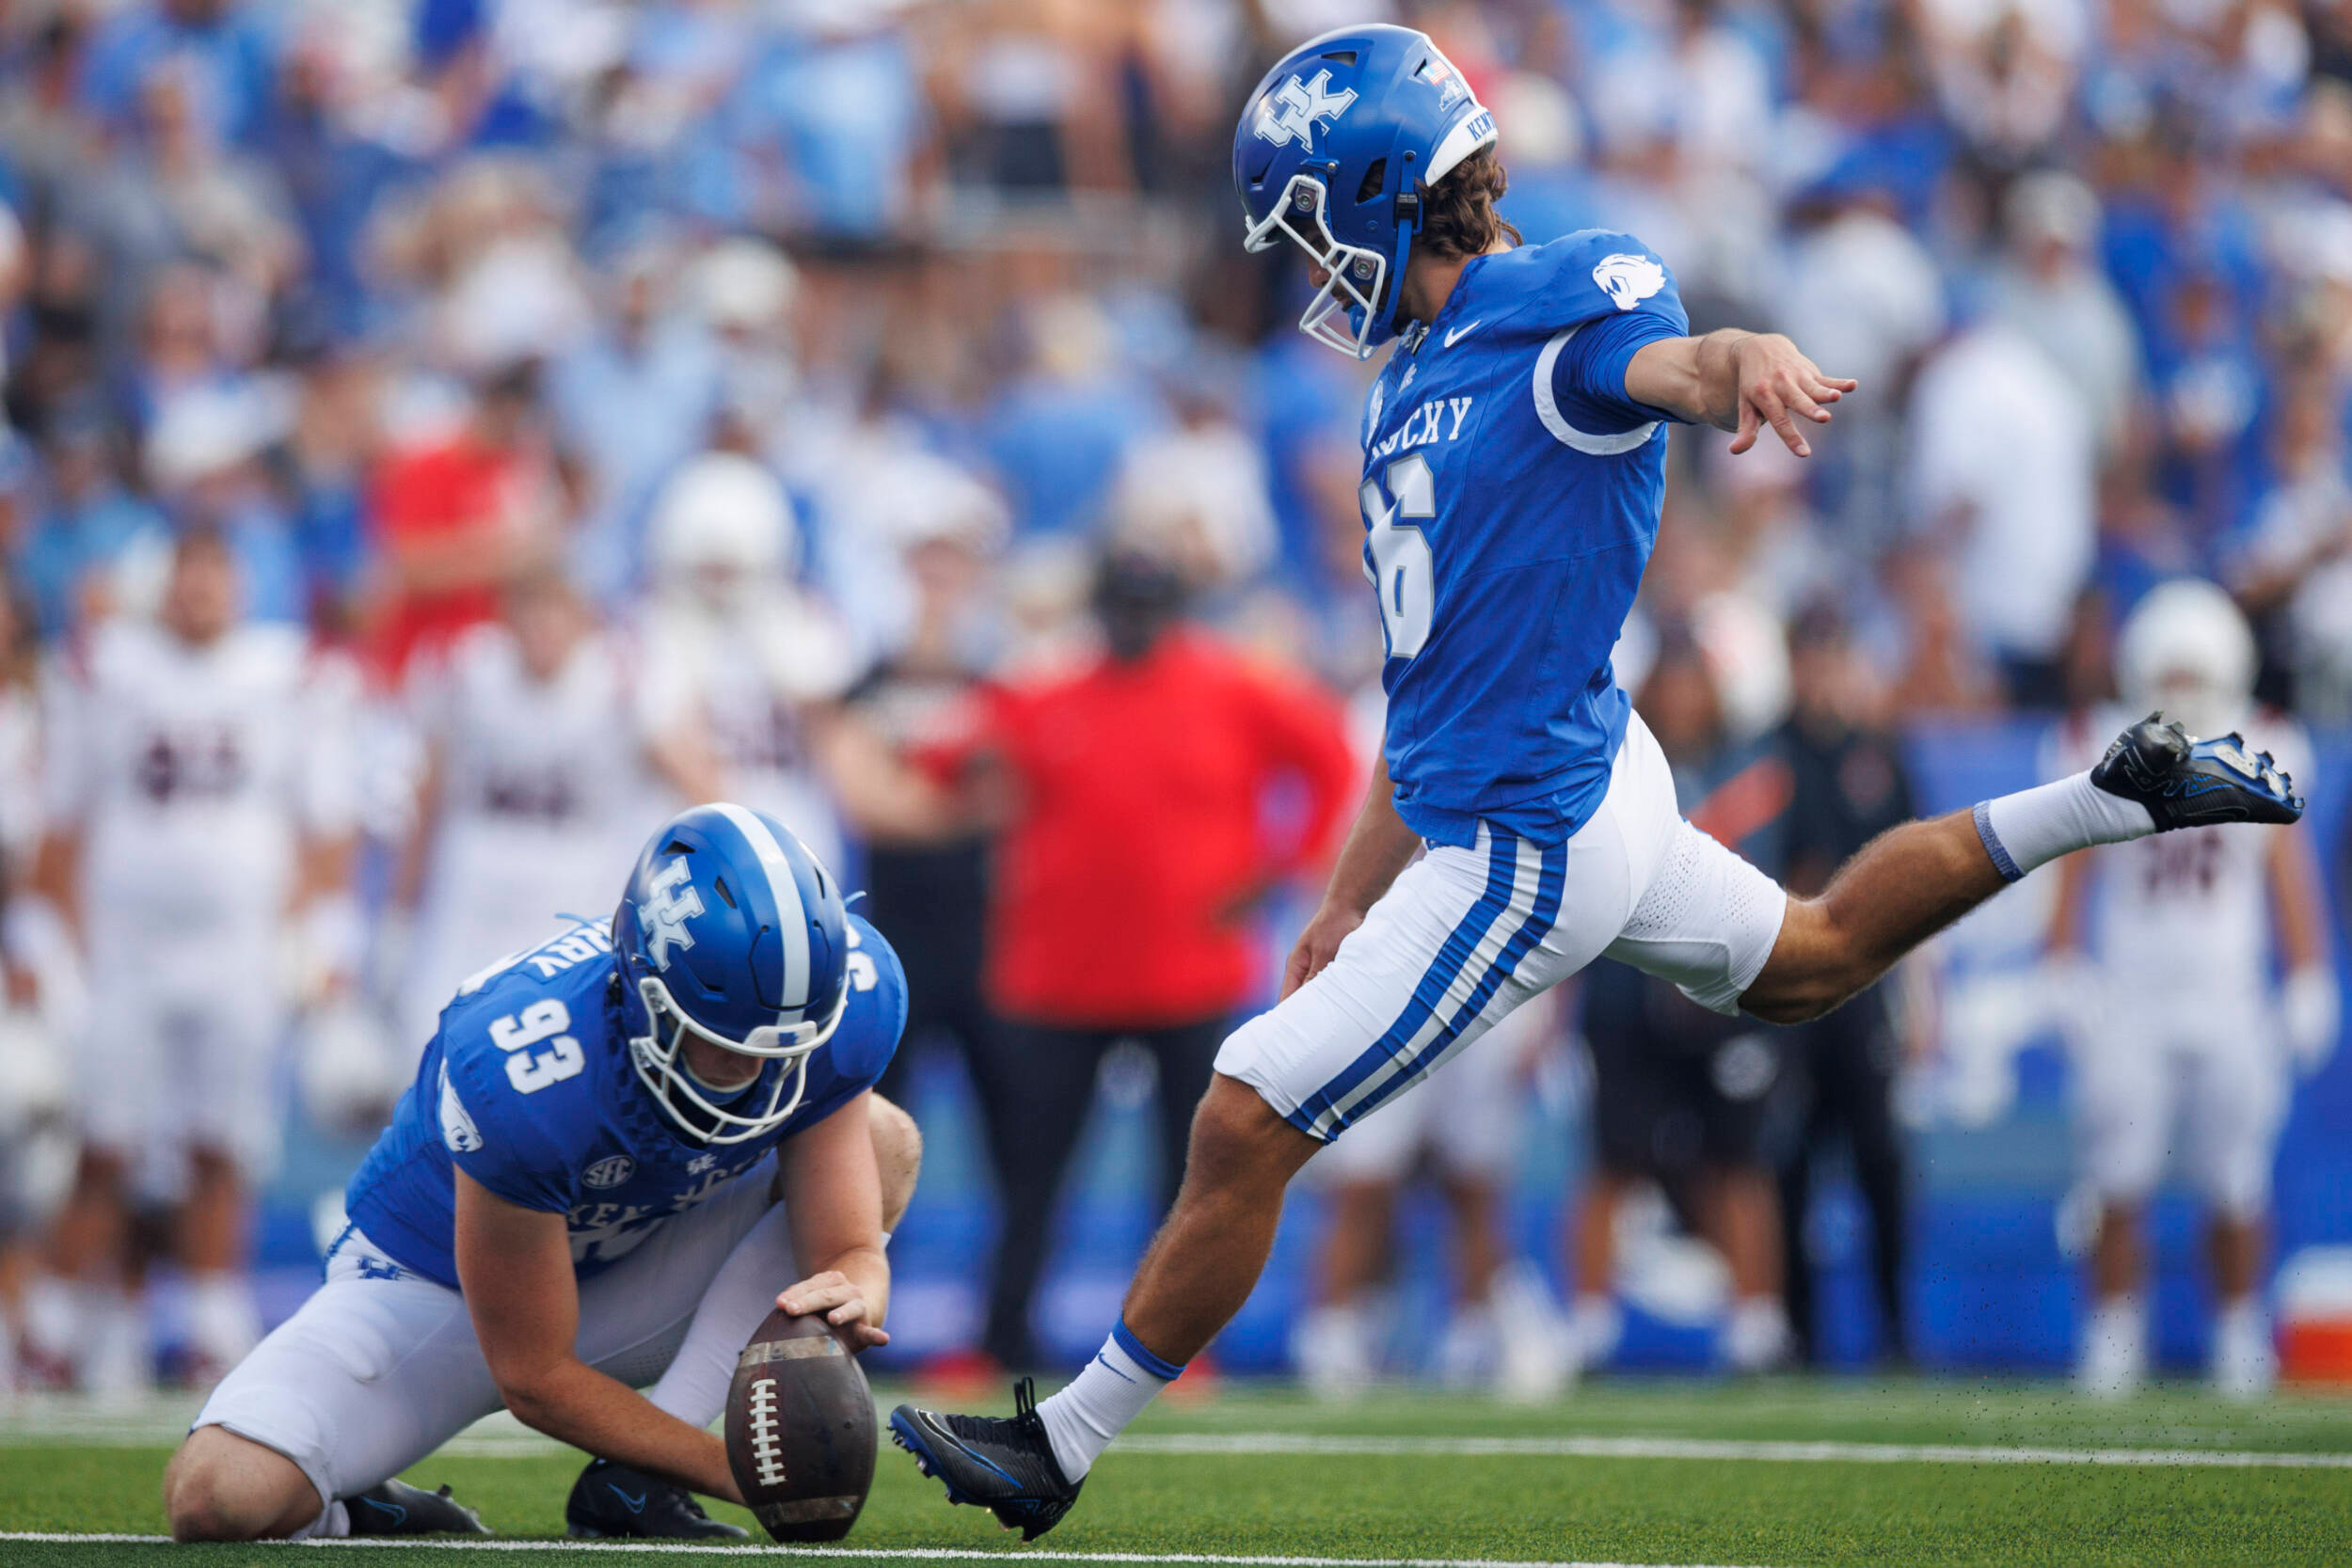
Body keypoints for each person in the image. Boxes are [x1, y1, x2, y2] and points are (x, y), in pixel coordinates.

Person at [886, 26, 2304, 1539]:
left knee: (1243, 1112)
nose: (1303, 261)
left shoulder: (1561, 297)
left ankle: (1062, 1443)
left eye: (1309, 218)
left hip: (1529, 834)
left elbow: (1672, 364)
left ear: (1372, 191)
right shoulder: (1409, 381)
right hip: (1570, 774)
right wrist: (1346, 893)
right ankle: (2112, 795)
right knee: (1810, 958)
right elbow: (1425, 687)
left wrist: (1741, 358)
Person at [162, 803, 922, 1541]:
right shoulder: (523, 1065)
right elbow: (534, 1373)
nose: (759, 1076)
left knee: (883, 1137)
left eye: (783, 1051)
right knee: (217, 1496)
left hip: (640, 1251)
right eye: (725, 1044)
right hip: (439, 1291)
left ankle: (636, 1486)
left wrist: (861, 1286)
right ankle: (360, 1508)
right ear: (643, 993)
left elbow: (847, 1247)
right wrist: (732, 1469)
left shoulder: (846, 998)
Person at [929, 548, 1356, 1373]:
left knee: (1192, 1172)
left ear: (1171, 612)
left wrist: (1282, 867)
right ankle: (999, 1338)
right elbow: (948, 758)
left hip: (1183, 974)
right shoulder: (1046, 688)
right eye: (1121, 609)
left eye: (1145, 609)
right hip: (1060, 979)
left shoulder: (1230, 685)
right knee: (1030, 1175)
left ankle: (1175, 1351)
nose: (1133, 625)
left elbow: (1334, 758)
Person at [21, 527, 358, 1391]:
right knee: (102, 1143)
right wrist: (41, 933)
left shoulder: (286, 676)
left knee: (224, 1142)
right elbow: (62, 815)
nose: (201, 591)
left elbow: (325, 828)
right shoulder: (109, 668)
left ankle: (211, 1322)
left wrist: (317, 936)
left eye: (217, 575)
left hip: (237, 949)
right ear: (163, 584)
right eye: (189, 574)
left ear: (241, 587)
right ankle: (54, 1325)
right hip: (127, 950)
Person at [2047, 580, 2336, 1398]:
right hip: (2133, 1000)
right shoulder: (2104, 743)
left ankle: (2240, 1332)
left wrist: (2308, 970)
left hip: (2228, 997)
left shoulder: (2268, 743)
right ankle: (2112, 1334)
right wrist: (2064, 961)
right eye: (2168, 674)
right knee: (2116, 1175)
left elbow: (2288, 870)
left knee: (2237, 1177)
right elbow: (2068, 859)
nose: (2181, 691)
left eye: (2193, 673)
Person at [1769, 605, 1922, 1369]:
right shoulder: (1767, 753)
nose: (1821, 673)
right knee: (1788, 1166)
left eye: (1832, 655)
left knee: (1881, 1165)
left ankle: (1895, 1332)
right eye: (1810, 656)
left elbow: (1924, 882)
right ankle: (1799, 1334)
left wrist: (1924, 998)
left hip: (1864, 996)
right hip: (1789, 994)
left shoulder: (1879, 754)